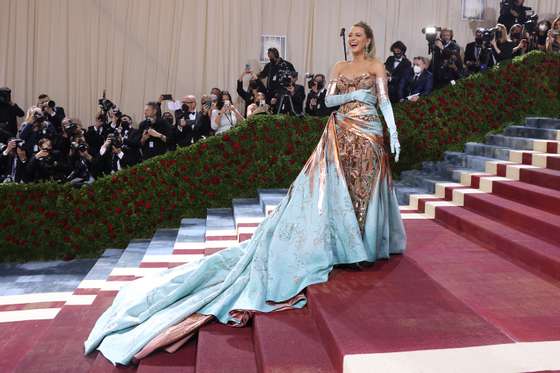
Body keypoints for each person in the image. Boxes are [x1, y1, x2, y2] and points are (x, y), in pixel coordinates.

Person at [84, 20, 406, 366]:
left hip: (371, 132)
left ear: (369, 40)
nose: (354, 39)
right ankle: (347, 247)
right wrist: (352, 95)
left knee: (366, 189)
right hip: (340, 131)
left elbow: (385, 102)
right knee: (340, 193)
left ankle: (366, 245)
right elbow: (327, 100)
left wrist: (394, 133)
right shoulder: (339, 67)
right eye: (351, 35)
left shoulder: (377, 67)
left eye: (359, 35)